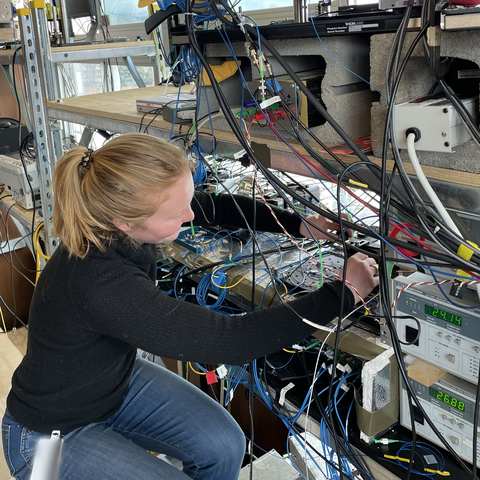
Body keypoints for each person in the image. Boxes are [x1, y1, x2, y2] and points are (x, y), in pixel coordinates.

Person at [2, 132, 379, 480]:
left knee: (224, 446)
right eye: (175, 214)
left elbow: (214, 208)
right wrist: (342, 292)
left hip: (109, 386)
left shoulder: (116, 222)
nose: (191, 216)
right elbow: (229, 342)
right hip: (45, 438)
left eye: (186, 201)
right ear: (125, 222)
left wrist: (298, 225)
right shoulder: (98, 282)